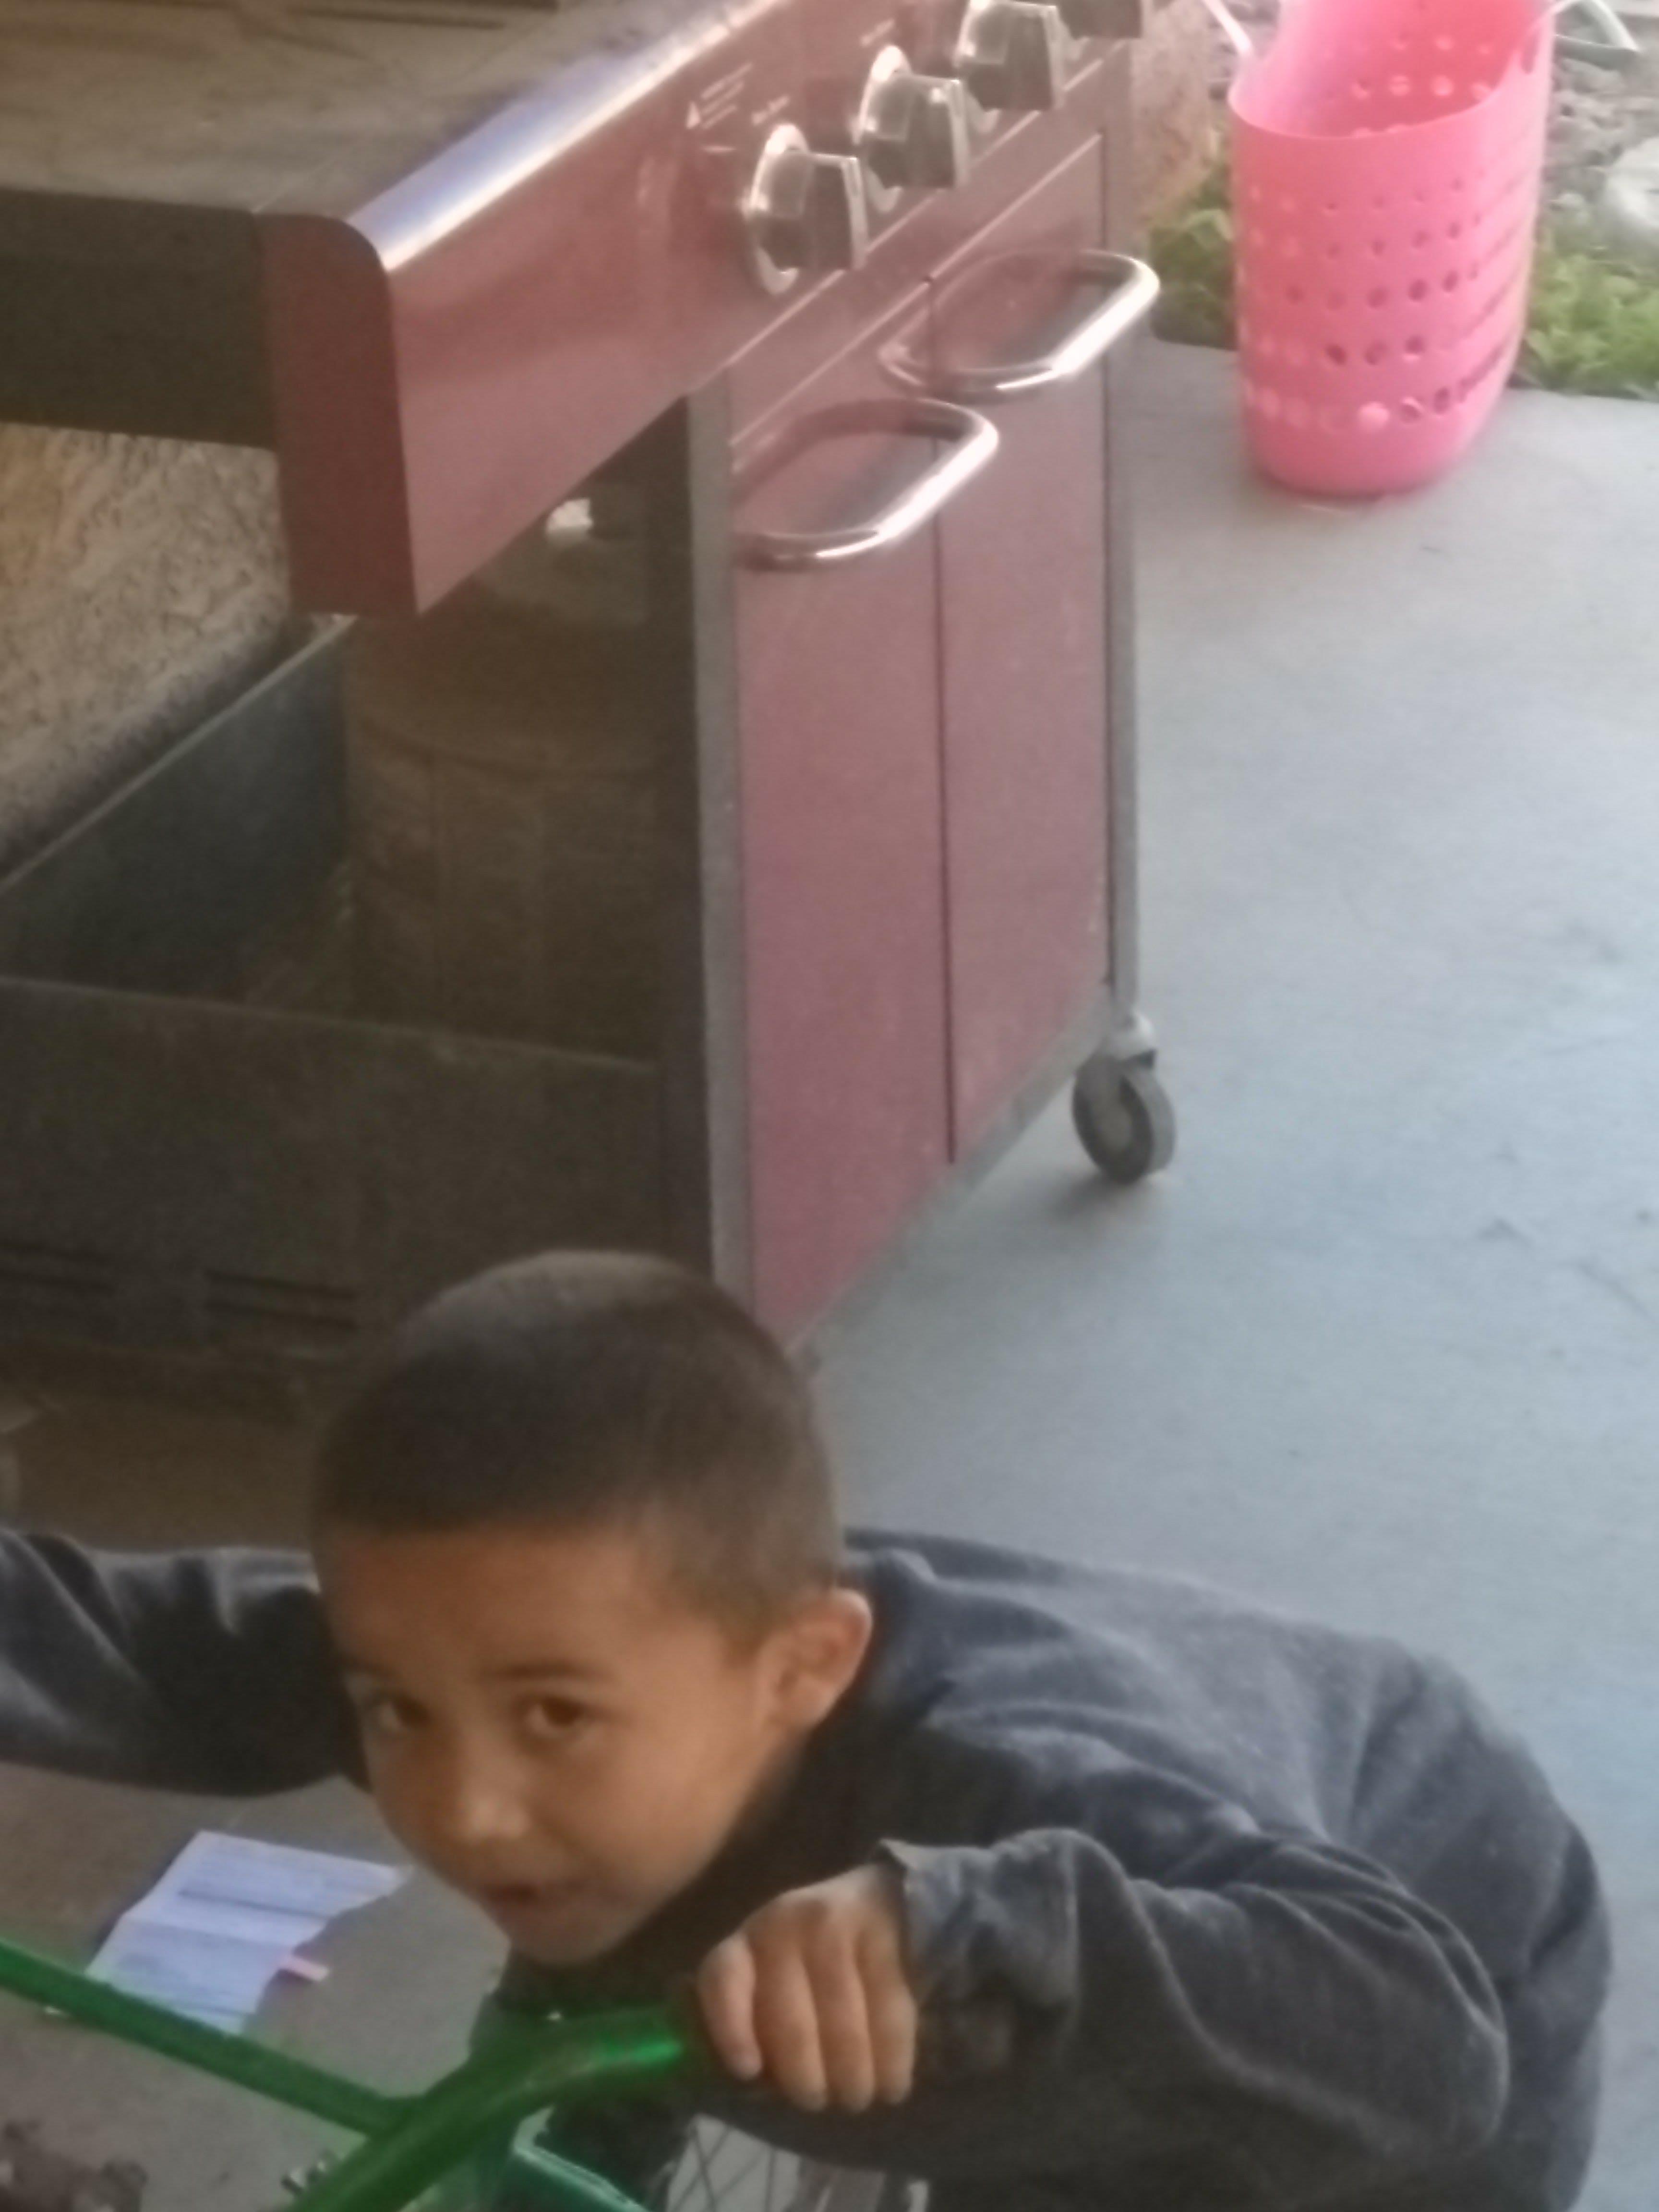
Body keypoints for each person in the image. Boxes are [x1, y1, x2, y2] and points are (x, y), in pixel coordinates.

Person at [0, 1253, 1610, 2212]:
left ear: (805, 1665)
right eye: (393, 1710)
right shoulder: (490, 1657)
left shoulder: (1004, 1772)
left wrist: (976, 1921)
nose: (467, 1807)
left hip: (1392, 1978)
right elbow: (123, 1639)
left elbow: (1428, 2046)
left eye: (556, 1716)